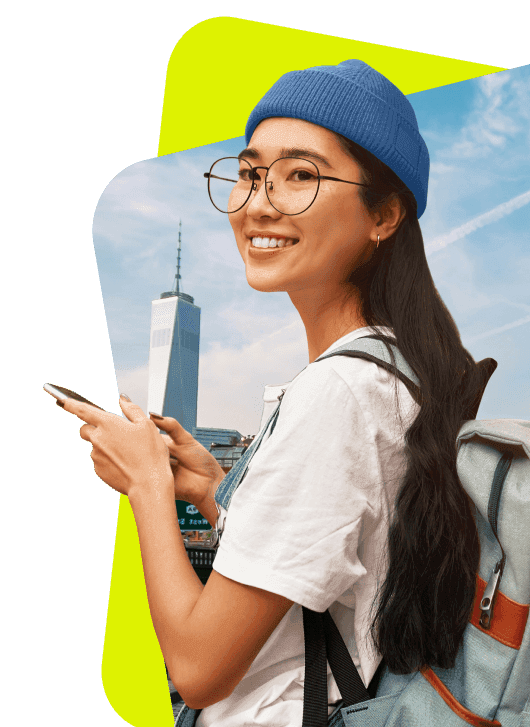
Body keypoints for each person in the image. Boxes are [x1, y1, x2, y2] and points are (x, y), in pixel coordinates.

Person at [56, 60, 493, 726]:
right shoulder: (394, 371)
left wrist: (144, 482)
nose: (258, 201)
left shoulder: (339, 392)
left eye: (300, 175)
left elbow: (198, 668)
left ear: (383, 214)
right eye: (250, 171)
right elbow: (332, 577)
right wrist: (211, 490)